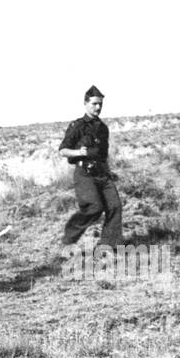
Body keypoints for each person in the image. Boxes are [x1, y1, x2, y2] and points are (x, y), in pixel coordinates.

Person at [59, 85, 122, 247]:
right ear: (86, 103)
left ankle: (108, 245)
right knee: (94, 207)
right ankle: (68, 240)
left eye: (100, 104)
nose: (98, 107)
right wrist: (79, 152)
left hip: (102, 173)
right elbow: (63, 151)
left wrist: (109, 172)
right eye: (94, 103)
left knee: (115, 206)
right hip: (84, 173)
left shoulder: (103, 128)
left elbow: (103, 154)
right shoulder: (77, 126)